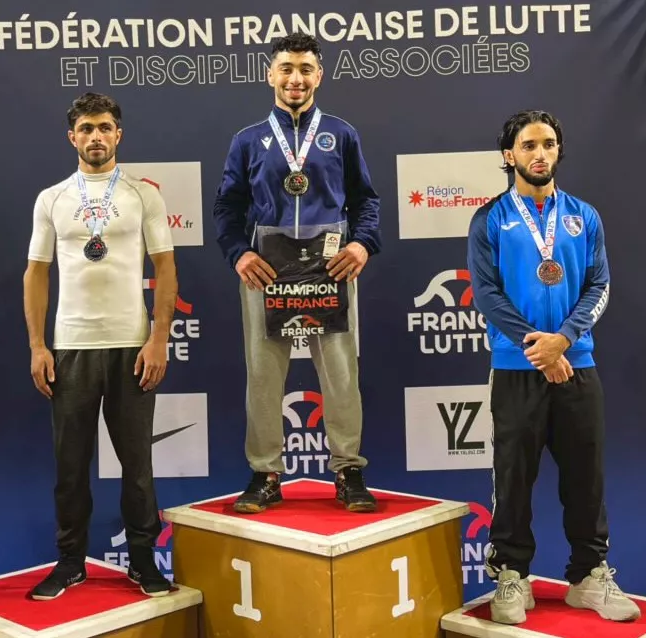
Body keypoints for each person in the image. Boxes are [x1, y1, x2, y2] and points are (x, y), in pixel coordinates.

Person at [467, 110, 642, 625]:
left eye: (548, 143)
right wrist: (538, 348)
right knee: (514, 476)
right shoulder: (490, 218)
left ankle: (588, 576)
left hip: (576, 364)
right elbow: (486, 293)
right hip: (517, 367)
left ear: (559, 150)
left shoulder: (584, 216)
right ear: (509, 155)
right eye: (528, 145)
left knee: (586, 476)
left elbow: (599, 285)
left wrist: (563, 340)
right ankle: (511, 575)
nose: (539, 153)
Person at [212, 33, 381, 514]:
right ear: (270, 74)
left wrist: (361, 244)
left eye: (306, 69)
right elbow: (226, 207)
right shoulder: (248, 140)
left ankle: (348, 470)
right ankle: (265, 473)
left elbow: (366, 201)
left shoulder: (341, 134)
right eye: (286, 68)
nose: (295, 78)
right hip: (266, 270)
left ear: (319, 76)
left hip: (330, 268)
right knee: (264, 373)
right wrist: (239, 254)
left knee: (342, 372)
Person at [23, 92, 176, 599]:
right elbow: (36, 274)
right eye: (86, 128)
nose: (96, 136)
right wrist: (38, 346)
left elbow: (166, 268)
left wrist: (158, 338)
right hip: (71, 349)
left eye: (104, 127)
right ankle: (70, 563)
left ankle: (142, 561)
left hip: (132, 345)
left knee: (138, 468)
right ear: (72, 137)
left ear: (118, 135)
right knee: (70, 467)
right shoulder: (51, 198)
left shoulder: (143, 195)